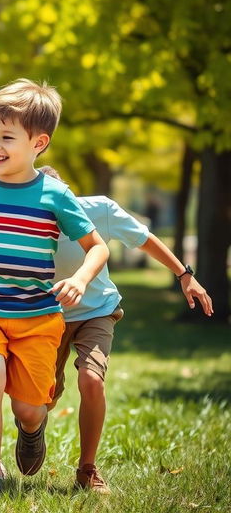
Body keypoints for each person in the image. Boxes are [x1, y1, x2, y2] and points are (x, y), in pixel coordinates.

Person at [0, 81, 110, 500]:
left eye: (6, 137)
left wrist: (78, 279)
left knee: (29, 407)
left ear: (38, 143)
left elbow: (98, 247)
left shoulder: (55, 195)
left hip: (37, 315)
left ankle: (31, 429)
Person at [39, 165, 213, 494]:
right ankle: (32, 430)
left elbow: (144, 239)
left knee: (92, 379)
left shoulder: (98, 210)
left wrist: (184, 274)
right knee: (42, 398)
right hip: (48, 315)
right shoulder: (23, 220)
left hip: (98, 310)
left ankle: (87, 469)